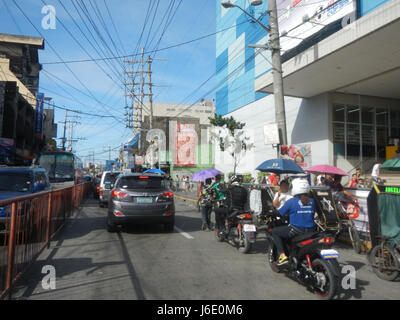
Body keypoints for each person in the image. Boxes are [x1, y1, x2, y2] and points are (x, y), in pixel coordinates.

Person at [271, 179, 316, 266]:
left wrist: (270, 213)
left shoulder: (291, 201)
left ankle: (282, 256)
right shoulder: (312, 201)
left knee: (275, 232)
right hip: (311, 231)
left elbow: (279, 212)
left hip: (296, 230)